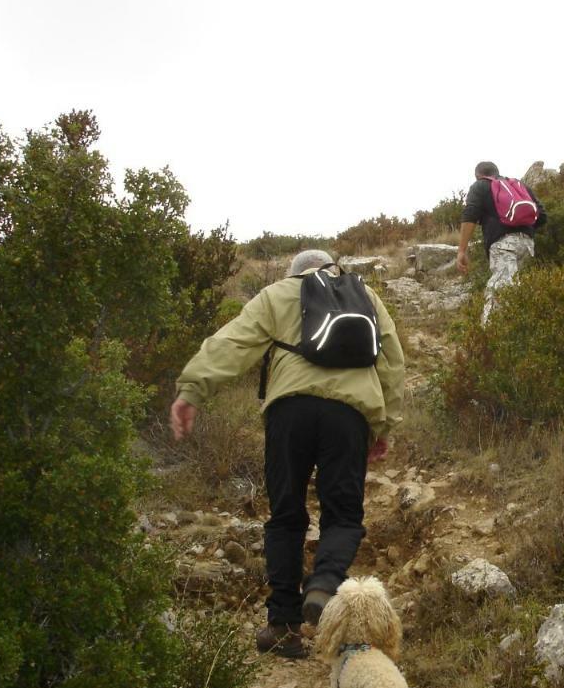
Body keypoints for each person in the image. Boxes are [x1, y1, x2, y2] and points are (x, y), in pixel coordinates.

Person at [169, 248, 405, 659]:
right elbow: (392, 361)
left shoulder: (278, 293)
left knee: (286, 514)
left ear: (295, 273)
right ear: (332, 268)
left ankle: (282, 626)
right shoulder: (365, 295)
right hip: (348, 416)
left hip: (289, 412)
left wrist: (192, 390)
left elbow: (233, 343)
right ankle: (324, 584)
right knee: (343, 514)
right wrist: (381, 425)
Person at [456, 161, 547, 324]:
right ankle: (519, 336)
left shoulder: (481, 186)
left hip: (503, 245)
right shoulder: (519, 186)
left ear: (478, 175)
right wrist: (523, 231)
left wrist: (461, 250)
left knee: (498, 292)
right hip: (527, 246)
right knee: (518, 292)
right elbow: (542, 216)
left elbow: (470, 214)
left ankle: (487, 341)